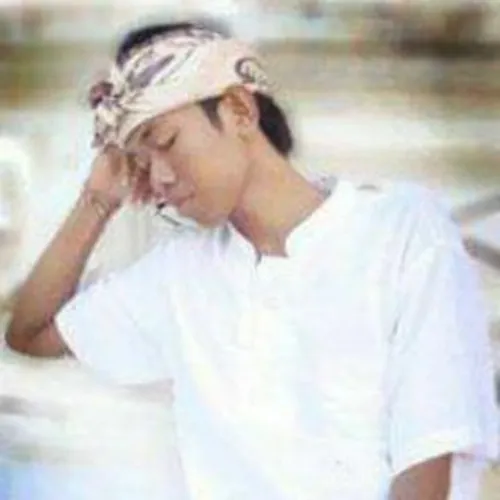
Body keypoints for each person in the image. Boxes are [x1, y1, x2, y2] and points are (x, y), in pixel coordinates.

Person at [5, 20, 498, 500]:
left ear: (240, 110)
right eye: (139, 163)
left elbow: (429, 456)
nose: (158, 178)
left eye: (166, 143)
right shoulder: (180, 273)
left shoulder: (400, 228)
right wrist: (97, 200)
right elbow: (30, 332)